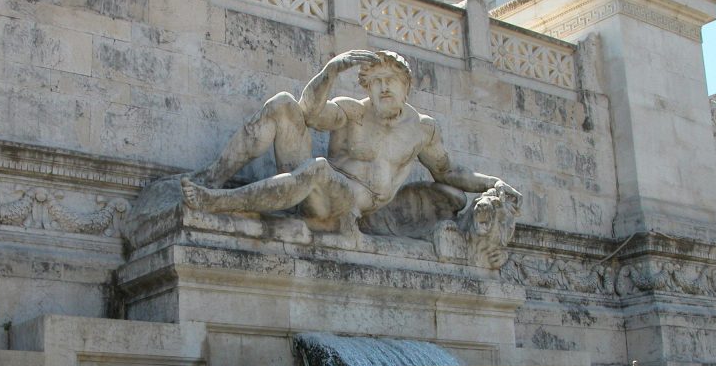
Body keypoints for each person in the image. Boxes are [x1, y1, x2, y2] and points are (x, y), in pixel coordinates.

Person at [181, 50, 519, 233]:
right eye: (376, 82)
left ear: (406, 87)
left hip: (347, 204)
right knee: (284, 104)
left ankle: (217, 202)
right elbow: (309, 113)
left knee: (316, 169)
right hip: (316, 189)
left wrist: (492, 182)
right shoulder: (353, 112)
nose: (384, 88)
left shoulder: (422, 130)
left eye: (391, 81)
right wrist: (329, 72)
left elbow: (447, 171)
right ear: (367, 88)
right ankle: (212, 181)